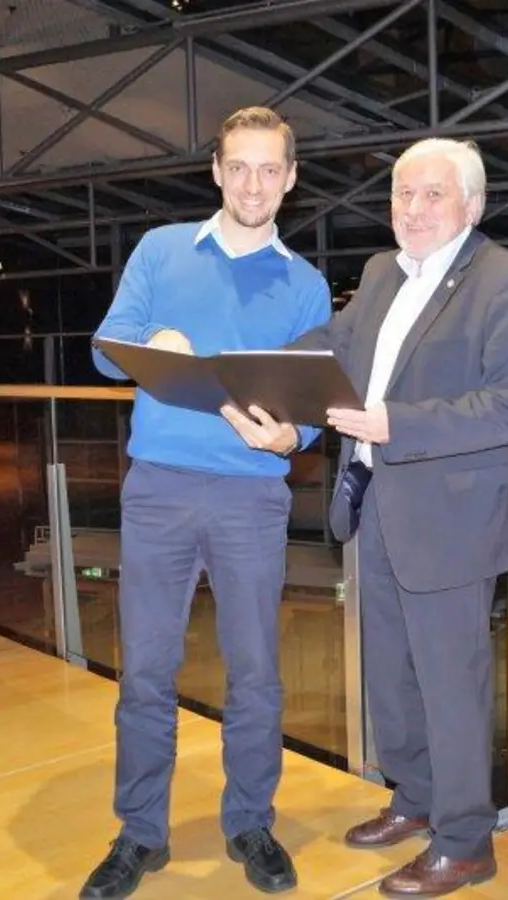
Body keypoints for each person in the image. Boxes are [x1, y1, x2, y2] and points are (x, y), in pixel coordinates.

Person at [223, 137, 508, 897]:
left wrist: (392, 422)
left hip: (454, 523)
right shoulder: (381, 274)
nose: (415, 209)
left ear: (472, 204)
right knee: (394, 682)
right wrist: (252, 371)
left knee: (449, 685)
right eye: (403, 194)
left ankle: (467, 841)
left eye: (434, 194)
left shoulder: (507, 281)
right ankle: (418, 798)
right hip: (377, 509)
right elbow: (330, 345)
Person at [81, 106, 330, 900]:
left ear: (290, 179)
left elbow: (315, 407)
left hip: (252, 498)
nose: (253, 183)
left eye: (269, 169)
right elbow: (105, 350)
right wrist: (153, 347)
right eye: (238, 166)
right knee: (147, 672)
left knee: (254, 672)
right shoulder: (160, 252)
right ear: (216, 171)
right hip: (156, 488)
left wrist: (293, 441)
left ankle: (250, 820)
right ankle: (140, 833)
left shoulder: (305, 284)